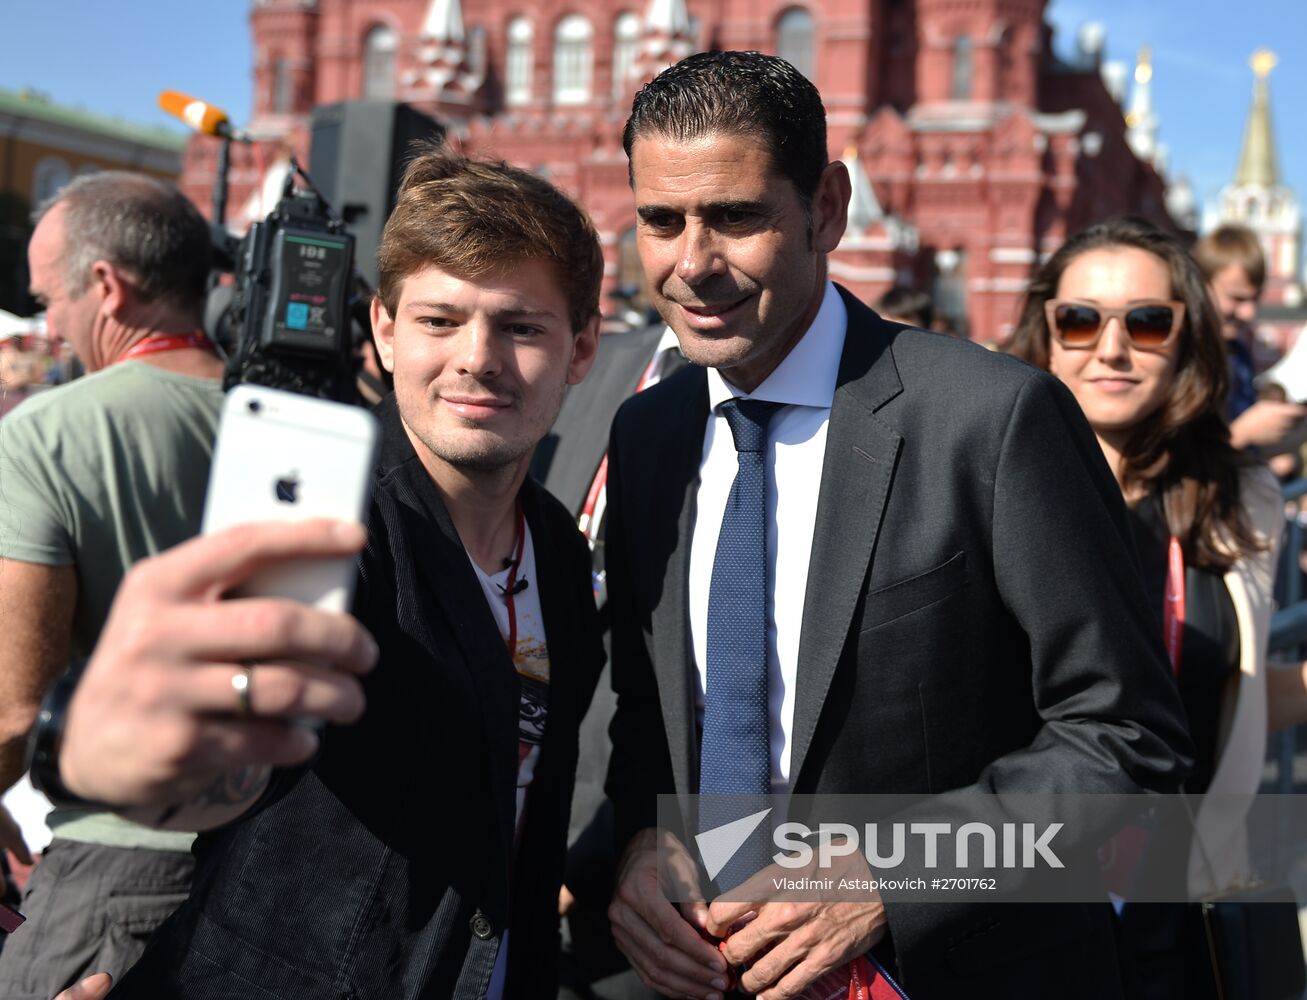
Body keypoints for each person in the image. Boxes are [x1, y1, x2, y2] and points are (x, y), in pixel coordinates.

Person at [602, 51, 1193, 1000]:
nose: (692, 263)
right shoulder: (648, 433)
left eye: (736, 217)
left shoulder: (992, 420)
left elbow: (1123, 738)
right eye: (660, 221)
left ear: (828, 208)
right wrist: (642, 838)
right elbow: (649, 713)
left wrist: (895, 876)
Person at [40, 146, 606, 998]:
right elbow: (218, 751)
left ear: (582, 348)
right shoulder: (324, 517)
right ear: (383, 330)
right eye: (439, 321)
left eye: (520, 326)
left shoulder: (558, 550)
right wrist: (103, 749)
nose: (477, 357)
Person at [1007, 216, 1307, 996]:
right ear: (1043, 333)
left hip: (1171, 915)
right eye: (1079, 320)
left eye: (1145, 322)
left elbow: (1217, 698)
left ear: (1185, 339)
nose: (1110, 348)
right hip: (1010, 913)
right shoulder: (976, 489)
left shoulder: (1240, 501)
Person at [0, 172, 224, 998]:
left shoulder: (47, 434)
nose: (49, 325)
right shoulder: (288, 415)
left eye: (48, 299)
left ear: (107, 286)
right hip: (277, 871)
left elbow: (14, 710)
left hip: (115, 878)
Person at [1194, 223, 1307, 453]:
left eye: (1255, 299)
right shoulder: (1180, 357)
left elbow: (1248, 451)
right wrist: (1243, 433)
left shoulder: (1238, 354)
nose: (1250, 313)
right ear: (1199, 285)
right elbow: (1172, 464)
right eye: (1236, 298)